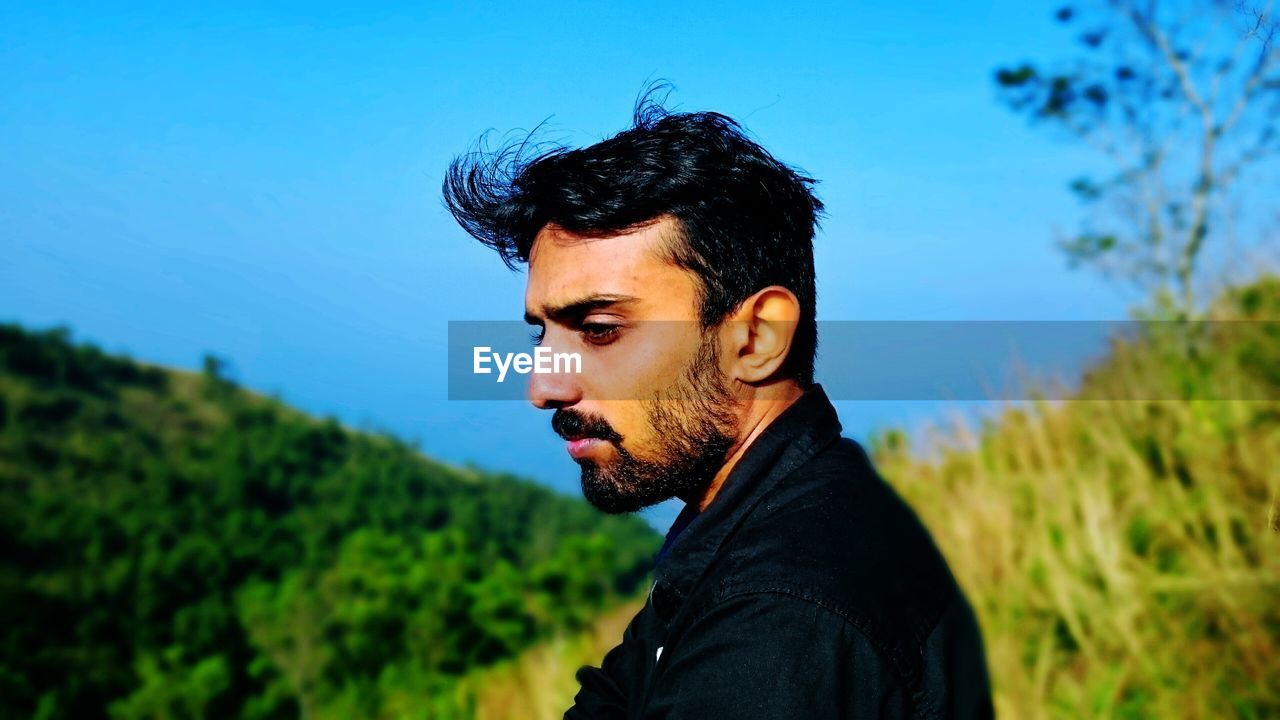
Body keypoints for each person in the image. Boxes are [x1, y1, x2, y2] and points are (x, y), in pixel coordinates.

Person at [443, 89, 994, 719]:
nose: (544, 386)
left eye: (599, 330)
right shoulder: (758, 522)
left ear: (757, 339)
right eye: (542, 333)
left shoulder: (778, 618)